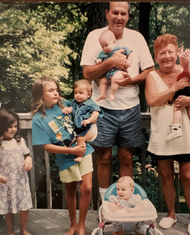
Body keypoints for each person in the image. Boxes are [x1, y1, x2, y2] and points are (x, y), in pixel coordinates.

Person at [80, 1, 154, 203]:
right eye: (115, 13)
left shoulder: (136, 38)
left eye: (123, 13)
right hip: (102, 108)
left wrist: (133, 79)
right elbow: (87, 72)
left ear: (128, 15)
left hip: (130, 107)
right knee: (103, 158)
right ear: (107, 14)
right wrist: (111, 62)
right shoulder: (95, 37)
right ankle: (106, 205)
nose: (119, 17)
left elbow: (149, 70)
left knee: (126, 157)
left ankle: (126, 202)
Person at [145, 34, 190, 235]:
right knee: (165, 175)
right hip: (162, 133)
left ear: (177, 52)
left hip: (185, 135)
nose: (167, 56)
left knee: (188, 176)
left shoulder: (187, 70)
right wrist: (175, 88)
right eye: (162, 53)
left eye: (171, 51)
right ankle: (171, 215)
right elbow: (152, 101)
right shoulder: (151, 76)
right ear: (156, 57)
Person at [31, 77, 94, 235]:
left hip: (84, 150)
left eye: (56, 89)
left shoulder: (67, 105)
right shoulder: (39, 119)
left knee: (86, 188)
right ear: (40, 95)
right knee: (71, 191)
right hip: (66, 157)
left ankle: (81, 224)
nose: (55, 92)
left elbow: (90, 109)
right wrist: (72, 151)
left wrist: (85, 139)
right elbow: (47, 146)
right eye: (50, 90)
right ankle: (73, 224)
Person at [0, 107, 33, 235]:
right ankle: (11, 232)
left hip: (21, 182)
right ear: (1, 127)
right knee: (8, 210)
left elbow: (27, 154)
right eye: (10, 127)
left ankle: (24, 229)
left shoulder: (19, 141)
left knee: (24, 209)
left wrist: (28, 159)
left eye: (15, 126)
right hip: (6, 184)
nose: (13, 129)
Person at [62, 79, 103, 161]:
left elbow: (96, 113)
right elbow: (71, 108)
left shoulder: (90, 104)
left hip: (90, 128)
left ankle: (80, 155)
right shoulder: (74, 102)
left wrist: (89, 120)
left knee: (81, 139)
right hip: (79, 129)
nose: (77, 95)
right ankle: (76, 153)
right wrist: (68, 109)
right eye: (76, 93)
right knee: (74, 138)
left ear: (89, 94)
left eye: (81, 93)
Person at [95, 30, 133, 101]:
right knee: (102, 81)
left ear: (114, 41)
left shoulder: (120, 49)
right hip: (107, 73)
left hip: (118, 71)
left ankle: (112, 94)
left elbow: (130, 53)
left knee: (115, 79)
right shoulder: (102, 53)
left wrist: (129, 61)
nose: (104, 48)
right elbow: (98, 58)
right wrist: (98, 61)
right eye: (102, 46)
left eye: (106, 45)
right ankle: (103, 94)